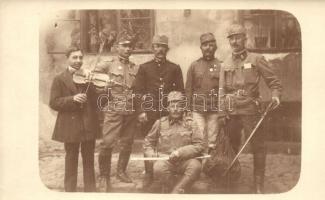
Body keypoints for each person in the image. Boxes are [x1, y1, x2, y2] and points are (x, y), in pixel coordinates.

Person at [219, 23, 282, 193]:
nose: (234, 41)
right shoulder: (225, 62)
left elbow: (273, 81)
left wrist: (275, 95)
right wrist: (221, 112)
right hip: (231, 111)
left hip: (251, 110)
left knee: (258, 146)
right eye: (231, 38)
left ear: (245, 38)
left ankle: (258, 184)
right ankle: (231, 179)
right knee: (230, 146)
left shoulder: (256, 59)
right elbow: (221, 90)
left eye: (238, 37)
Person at [133, 35, 185, 188]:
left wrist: (177, 110)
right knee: (149, 142)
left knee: (170, 141)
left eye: (163, 46)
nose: (160, 49)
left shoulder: (174, 68)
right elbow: (138, 92)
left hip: (169, 112)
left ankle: (169, 171)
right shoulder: (144, 68)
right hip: (150, 112)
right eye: (157, 46)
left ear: (166, 49)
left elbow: (180, 91)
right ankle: (149, 173)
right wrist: (141, 111)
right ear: (152, 48)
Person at [49, 46, 101, 192]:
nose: (78, 60)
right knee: (71, 160)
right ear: (68, 59)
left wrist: (102, 88)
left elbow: (97, 101)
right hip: (70, 126)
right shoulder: (59, 79)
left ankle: (90, 192)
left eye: (80, 57)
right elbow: (54, 102)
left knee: (89, 161)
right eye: (75, 57)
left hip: (87, 125)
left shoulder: (88, 77)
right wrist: (73, 99)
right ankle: (70, 192)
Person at [94, 36, 140, 191]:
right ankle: (104, 176)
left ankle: (121, 171)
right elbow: (93, 80)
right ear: (116, 47)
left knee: (127, 142)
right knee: (107, 142)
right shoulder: (108, 65)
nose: (128, 49)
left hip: (130, 110)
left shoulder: (135, 67)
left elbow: (138, 88)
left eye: (130, 46)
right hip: (113, 109)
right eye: (124, 46)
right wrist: (104, 87)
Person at [143, 91, 204, 193]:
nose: (175, 109)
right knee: (158, 168)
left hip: (185, 160)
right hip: (166, 160)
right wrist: (151, 154)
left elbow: (199, 145)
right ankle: (178, 190)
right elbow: (148, 143)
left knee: (196, 166)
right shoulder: (160, 123)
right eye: (172, 106)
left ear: (183, 108)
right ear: (167, 108)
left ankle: (174, 192)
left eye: (179, 106)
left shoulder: (191, 123)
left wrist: (180, 152)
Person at [185, 32, 224, 153]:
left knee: (213, 140)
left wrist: (223, 109)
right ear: (201, 47)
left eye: (211, 45)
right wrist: (187, 108)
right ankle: (199, 165)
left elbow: (224, 89)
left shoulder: (221, 65)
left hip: (214, 108)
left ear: (215, 47)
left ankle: (211, 166)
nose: (208, 47)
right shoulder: (194, 66)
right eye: (205, 45)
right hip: (197, 109)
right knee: (199, 138)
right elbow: (188, 89)